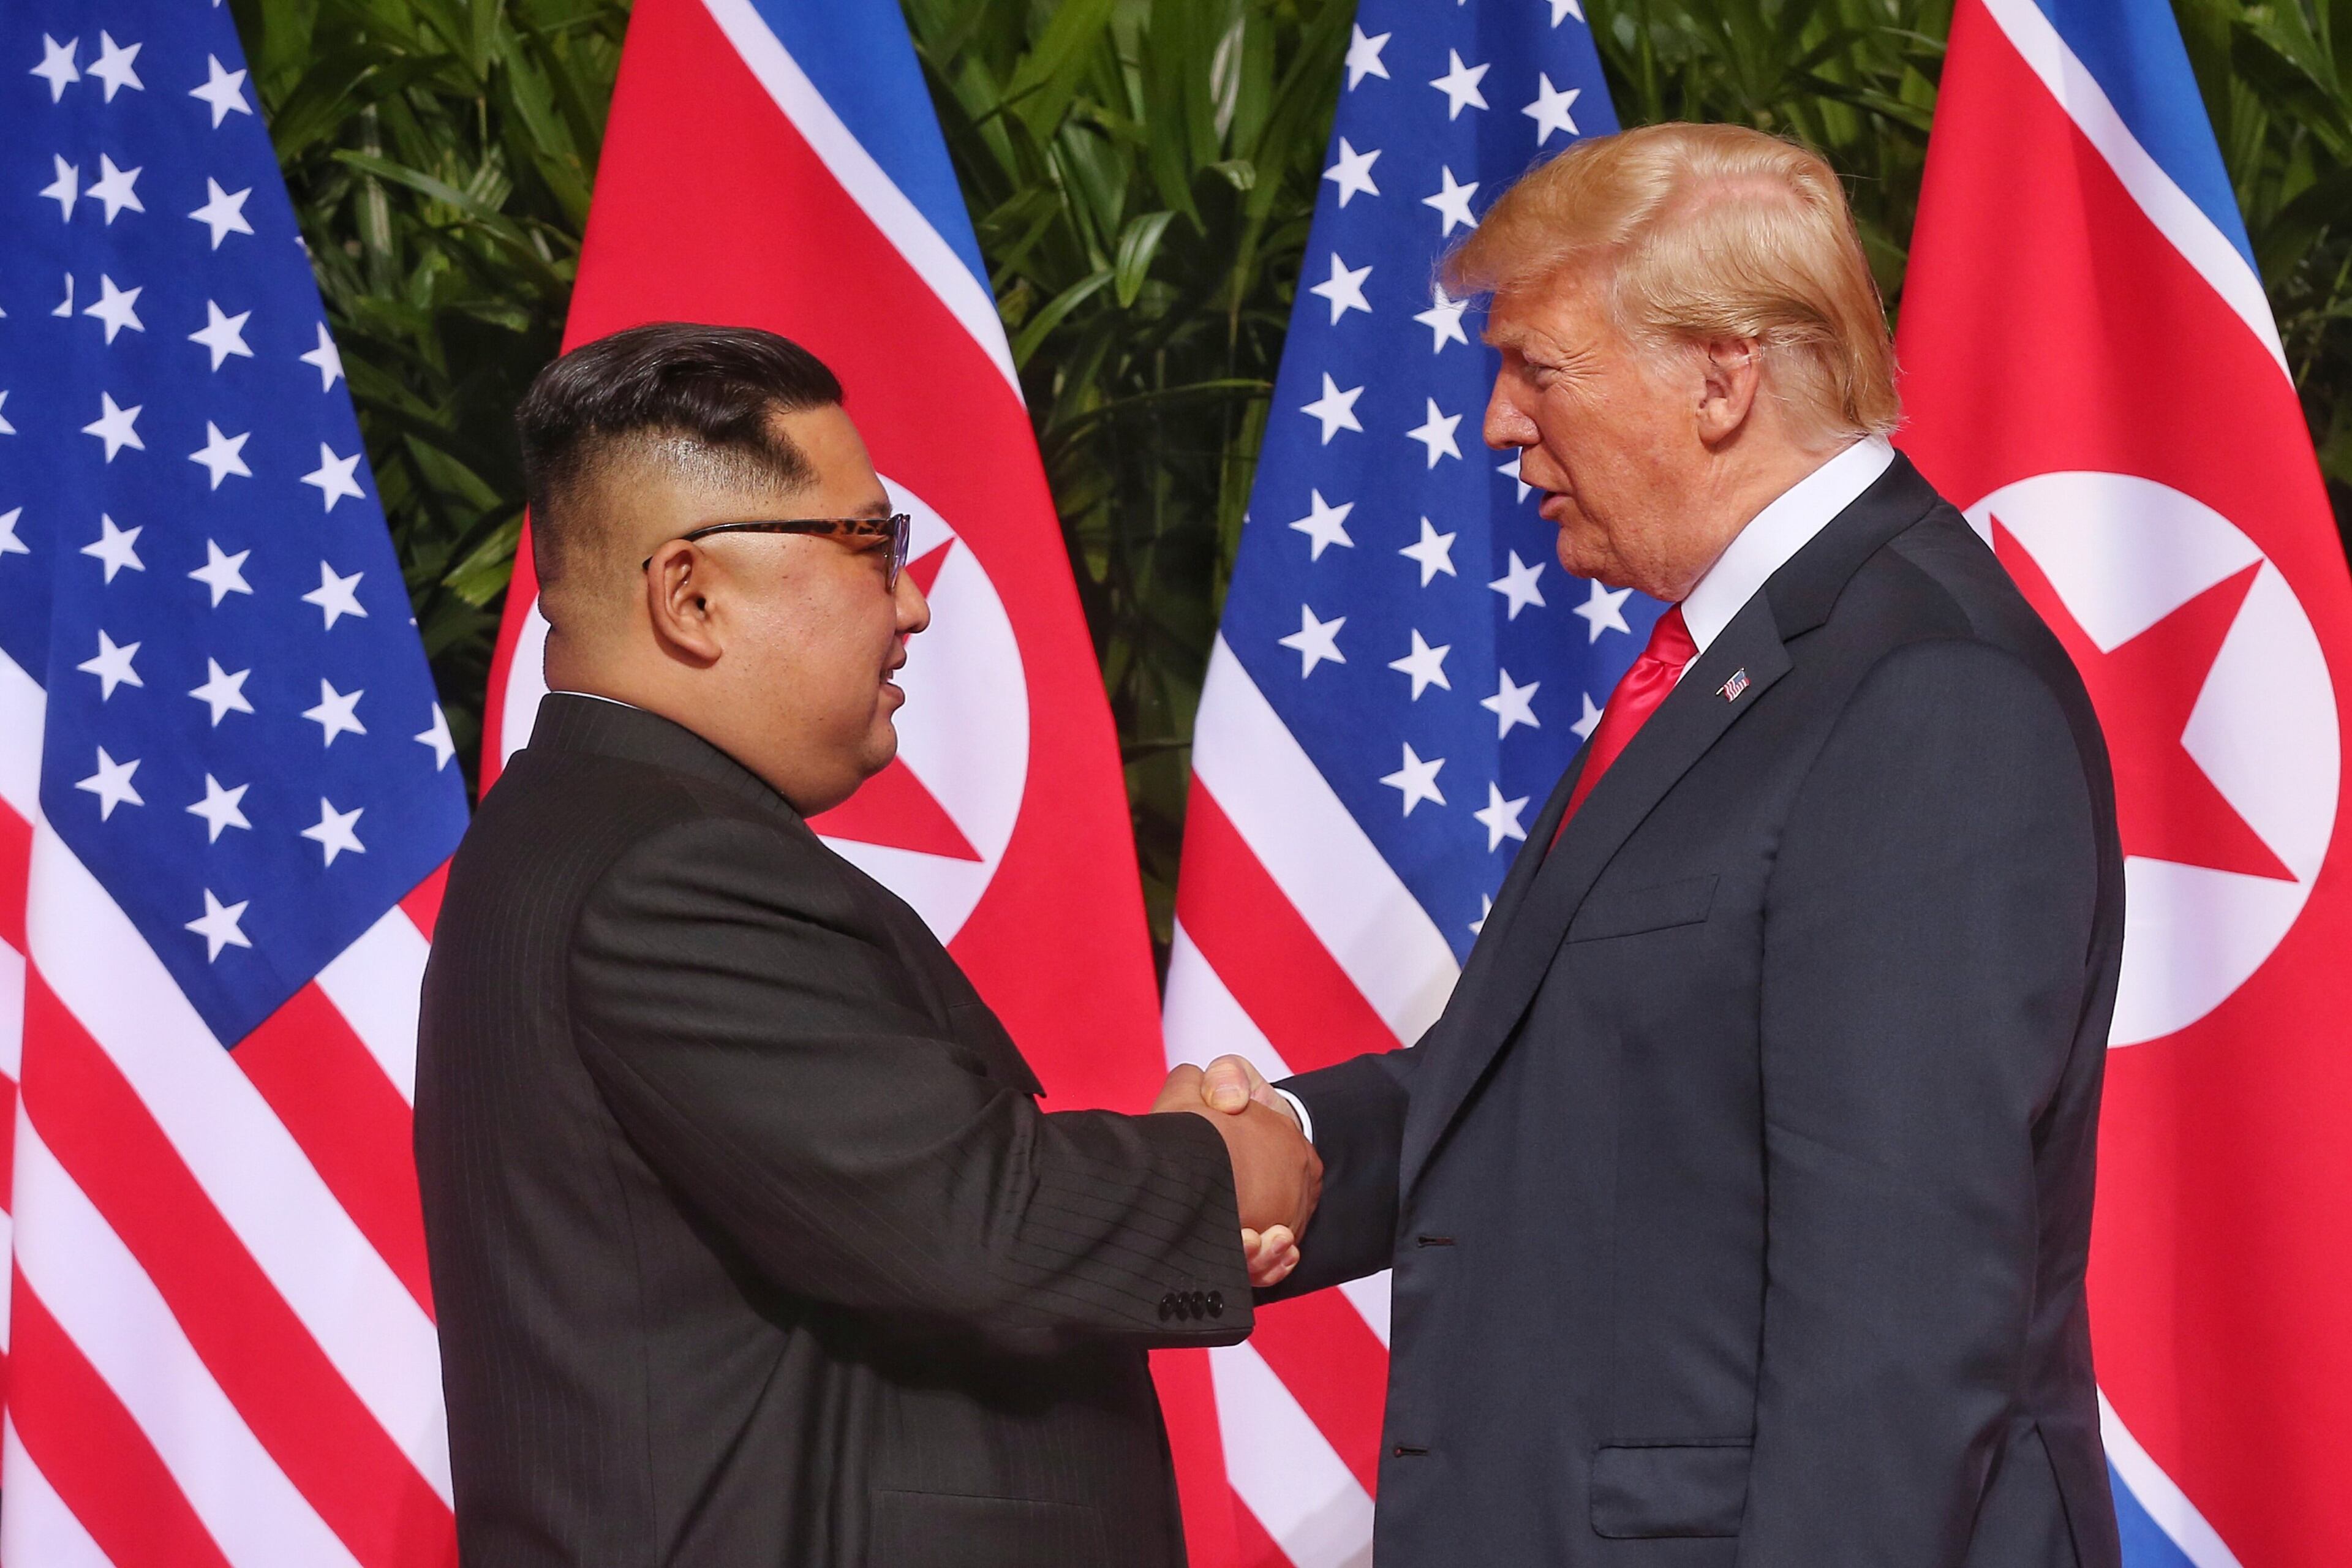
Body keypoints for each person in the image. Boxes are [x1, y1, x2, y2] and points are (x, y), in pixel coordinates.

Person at [1192, 124, 2126, 1567]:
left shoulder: (1925, 693)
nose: (1498, 424)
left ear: (1722, 374)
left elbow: (1894, 1334)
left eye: (1539, 367)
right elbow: (1563, 1080)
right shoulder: (1738, 663)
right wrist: (1283, 1149)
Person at [413, 322, 1317, 1567]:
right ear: (690, 595)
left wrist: (1303, 1143)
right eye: (872, 543)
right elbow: (977, 1227)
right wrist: (1219, 1169)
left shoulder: (595, 831)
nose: (915, 601)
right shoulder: (665, 871)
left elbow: (907, 1207)